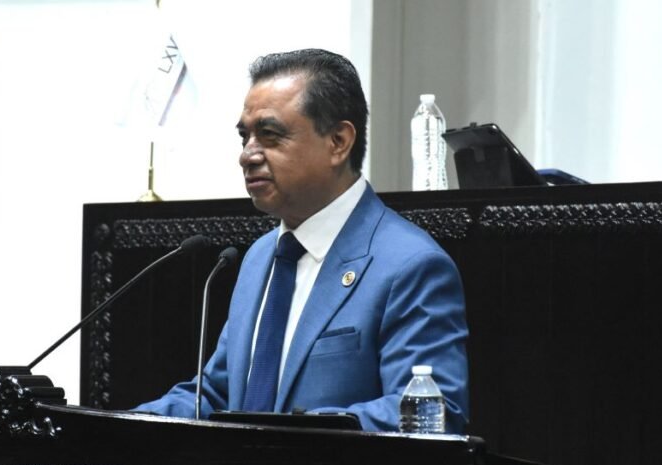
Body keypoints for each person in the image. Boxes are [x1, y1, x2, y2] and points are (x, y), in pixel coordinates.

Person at [134, 48, 469, 433]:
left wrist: (294, 439)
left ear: (338, 141)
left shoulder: (409, 265)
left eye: (270, 135)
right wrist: (120, 426)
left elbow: (430, 413)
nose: (247, 155)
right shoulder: (260, 257)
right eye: (245, 137)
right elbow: (215, 396)